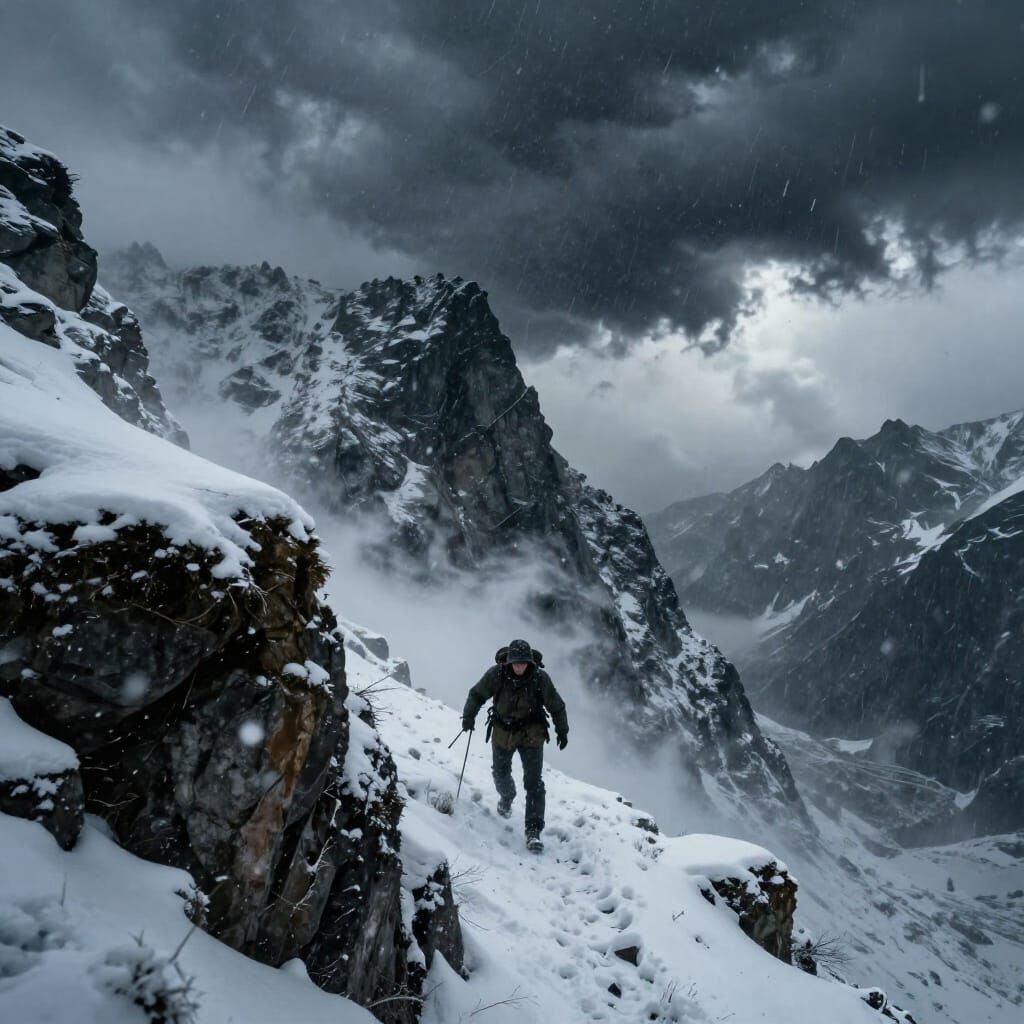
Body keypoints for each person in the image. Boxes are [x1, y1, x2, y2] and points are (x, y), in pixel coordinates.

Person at [461, 638, 569, 852]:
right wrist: (468, 716)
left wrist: (562, 730)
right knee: (500, 773)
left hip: (532, 734)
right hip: (503, 732)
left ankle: (533, 832)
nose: (520, 667)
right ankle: (507, 796)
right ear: (509, 662)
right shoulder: (496, 674)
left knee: (534, 783)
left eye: (523, 663)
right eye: (516, 663)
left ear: (530, 662)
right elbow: (477, 694)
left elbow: (556, 705)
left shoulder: (540, 678)